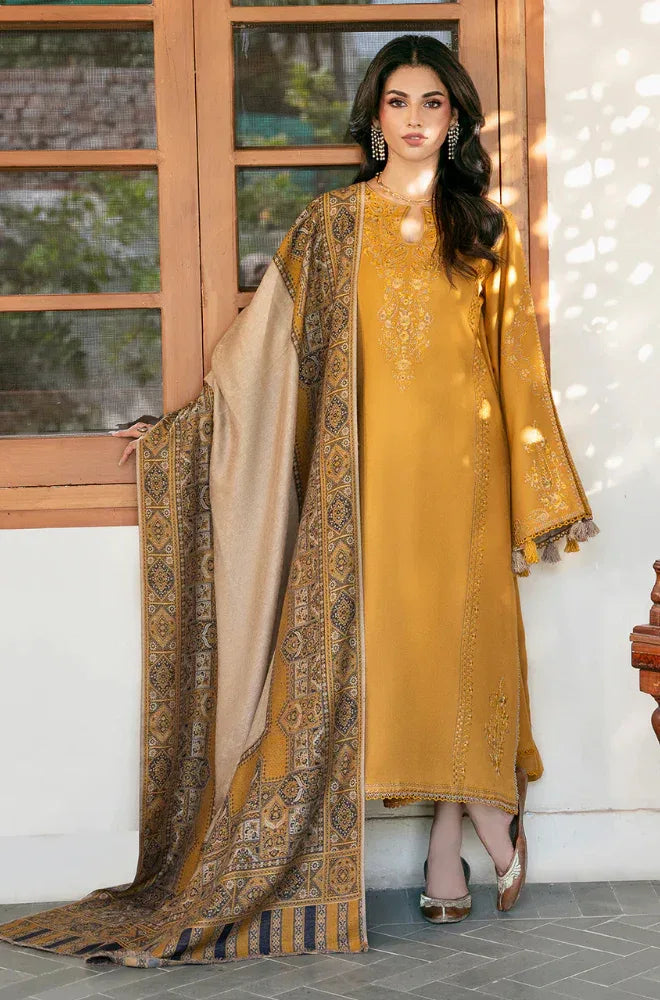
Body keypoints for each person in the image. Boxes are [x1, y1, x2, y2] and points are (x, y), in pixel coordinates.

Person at [0, 35, 597, 964]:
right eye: (397, 102)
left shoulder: (484, 228)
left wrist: (540, 491)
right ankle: (485, 814)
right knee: (399, 648)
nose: (413, 120)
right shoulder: (331, 225)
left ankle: (455, 837)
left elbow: (515, 363)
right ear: (374, 118)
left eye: (431, 103)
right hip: (369, 474)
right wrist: (186, 428)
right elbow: (269, 347)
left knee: (465, 640)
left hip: (468, 472)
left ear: (454, 119)